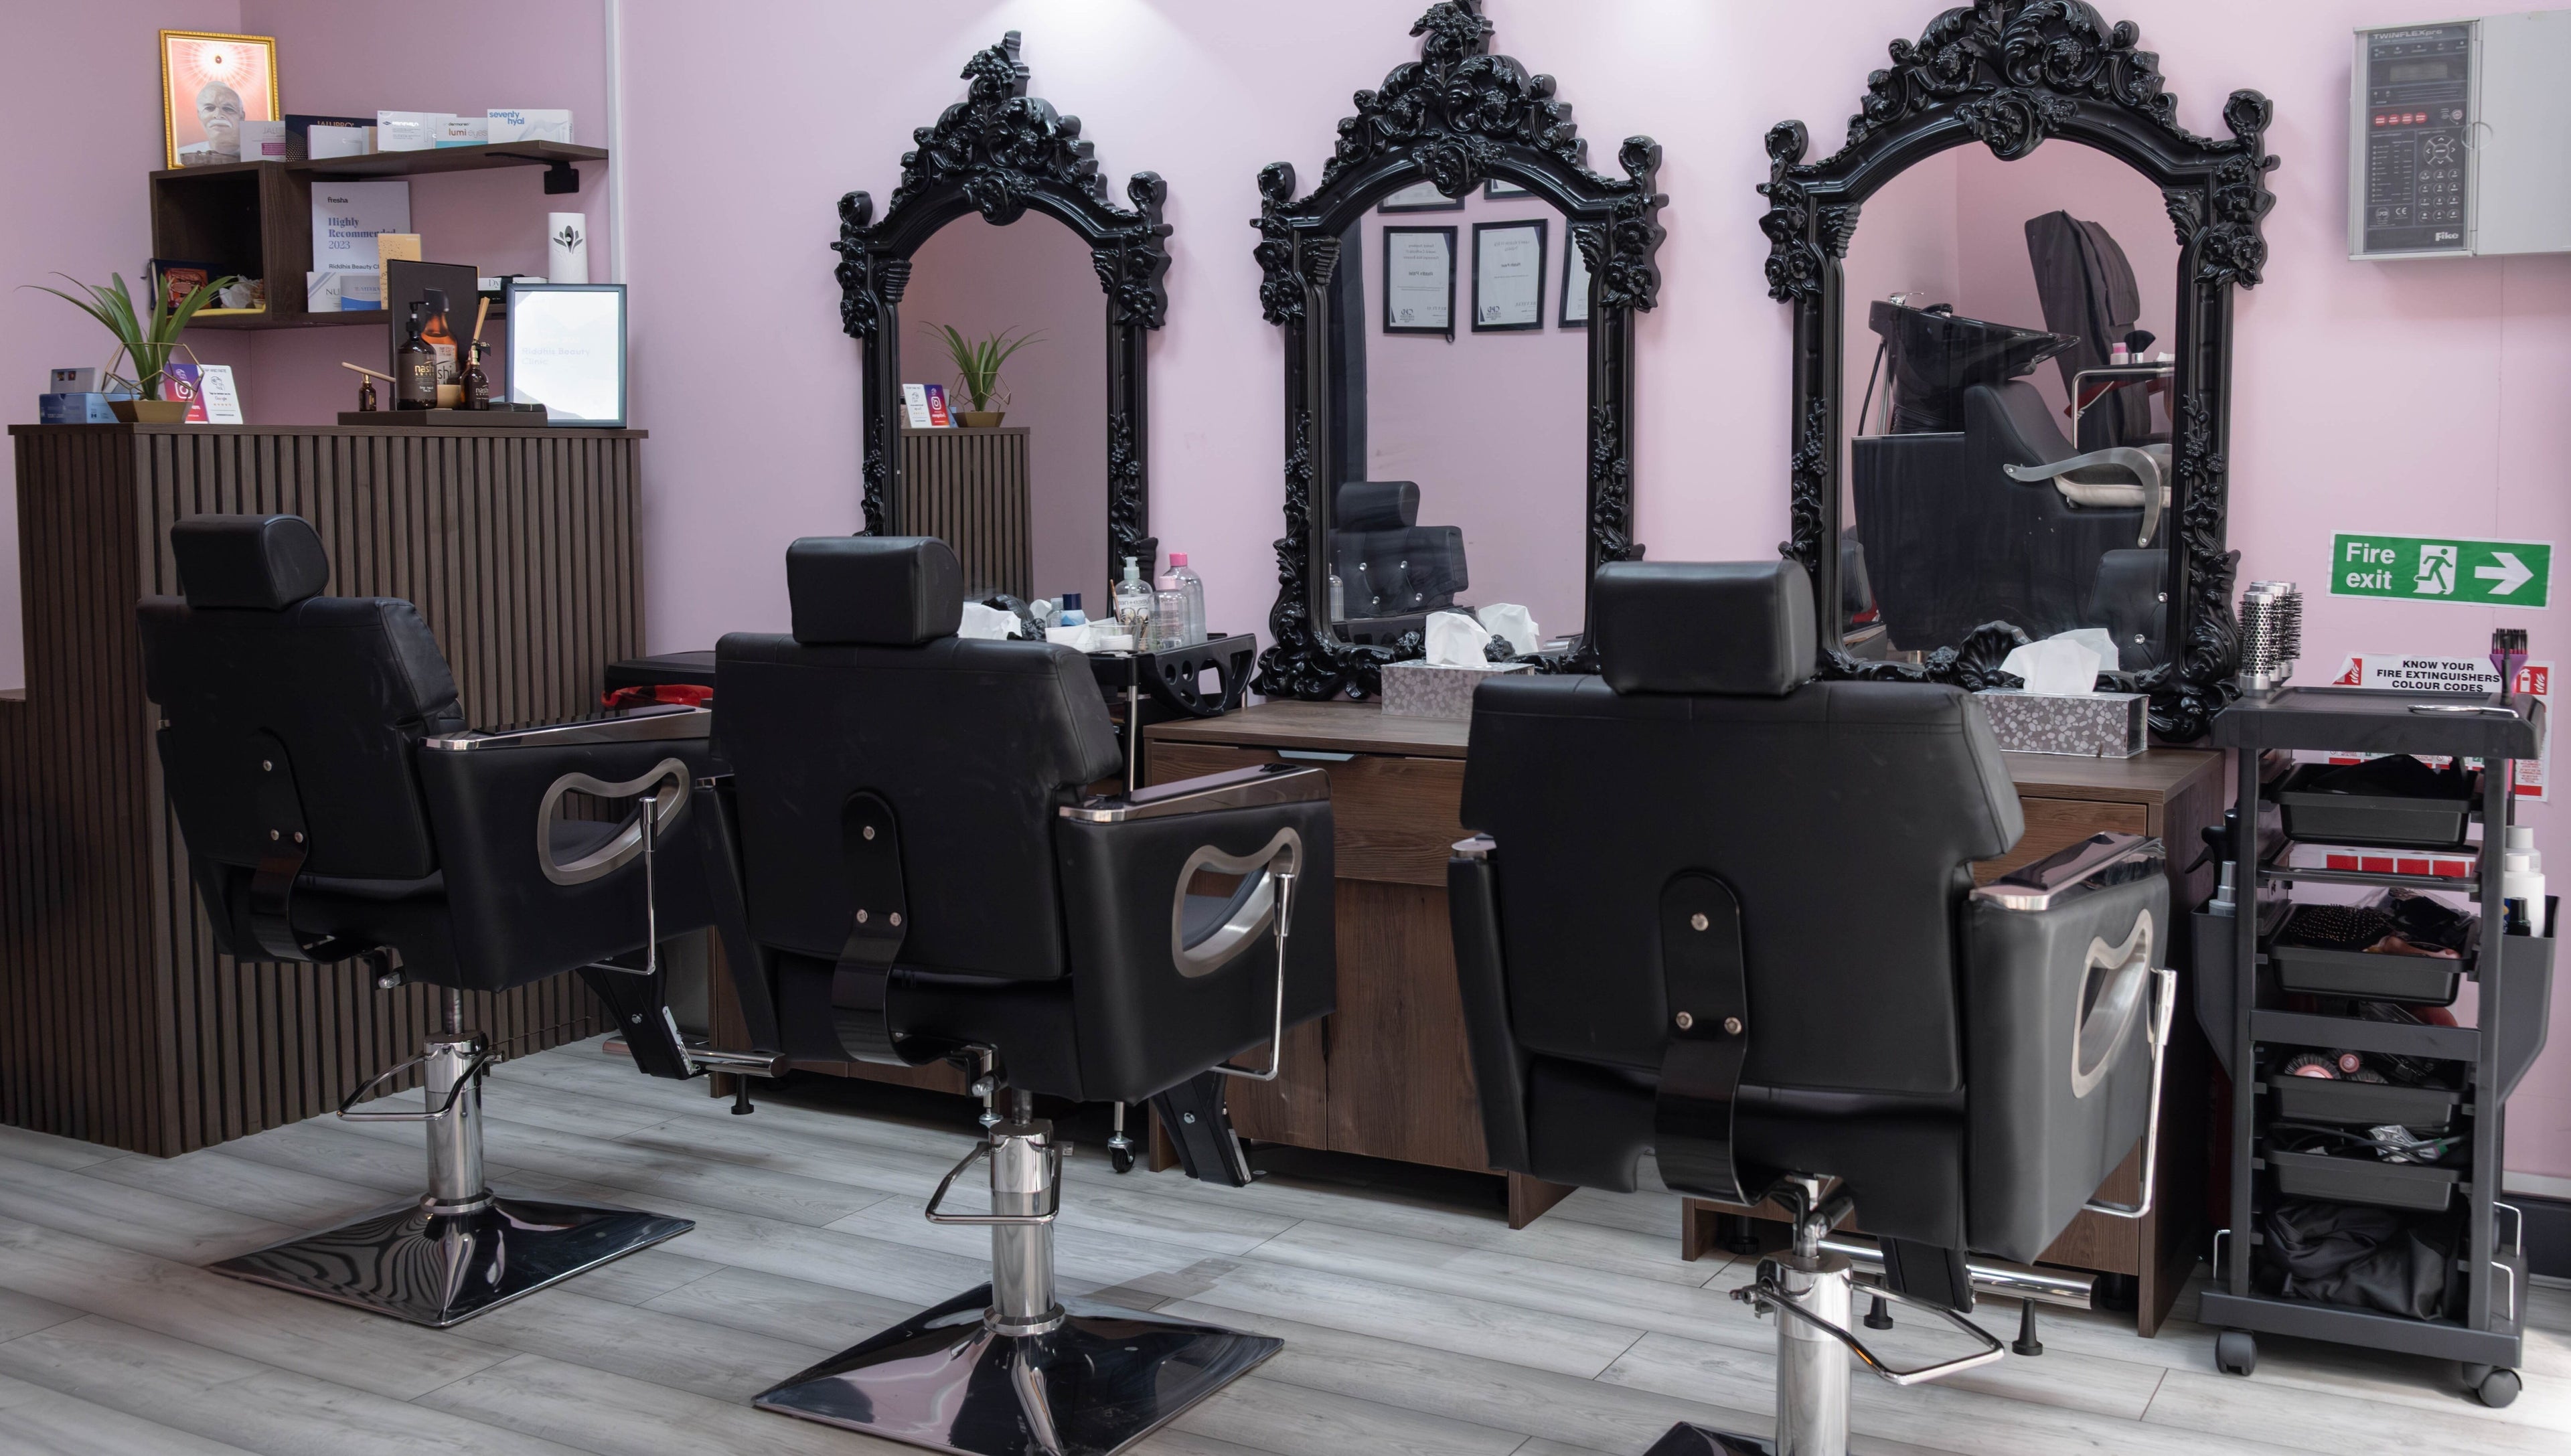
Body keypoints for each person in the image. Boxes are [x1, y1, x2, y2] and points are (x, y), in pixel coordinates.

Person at [177, 80, 243, 166]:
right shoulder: (182, 155)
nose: (218, 115)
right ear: (200, 115)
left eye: (228, 109)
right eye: (209, 108)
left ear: (242, 117)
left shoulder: (255, 156)